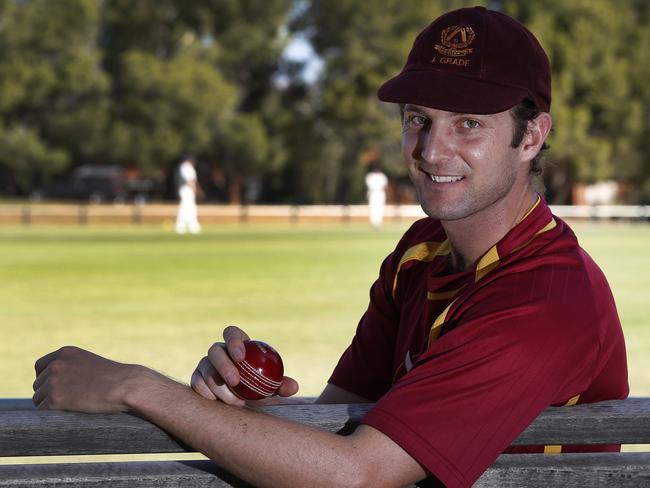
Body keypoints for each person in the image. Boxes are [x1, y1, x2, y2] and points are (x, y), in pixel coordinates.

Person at [33, 7, 628, 487]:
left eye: (468, 123)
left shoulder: (546, 298)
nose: (431, 150)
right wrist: (241, 406)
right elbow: (342, 416)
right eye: (418, 118)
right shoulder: (421, 252)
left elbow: (358, 474)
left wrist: (135, 387)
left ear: (532, 135)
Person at [175, 155, 202, 234]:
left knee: (185, 207)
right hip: (187, 190)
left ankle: (182, 226)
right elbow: (190, 181)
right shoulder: (187, 167)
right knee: (188, 207)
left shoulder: (183, 167)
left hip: (184, 190)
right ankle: (191, 225)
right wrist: (195, 189)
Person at [365, 164, 389, 228]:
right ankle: (373, 222)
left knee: (380, 207)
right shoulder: (370, 176)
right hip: (373, 193)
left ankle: (379, 222)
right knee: (373, 207)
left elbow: (385, 185)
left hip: (380, 193)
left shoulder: (382, 176)